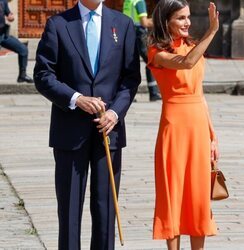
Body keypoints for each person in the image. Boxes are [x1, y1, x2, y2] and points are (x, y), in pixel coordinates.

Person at [33, 0, 140, 249]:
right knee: (69, 208)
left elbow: (131, 77)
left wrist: (115, 112)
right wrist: (76, 99)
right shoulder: (58, 25)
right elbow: (43, 74)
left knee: (105, 207)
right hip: (70, 131)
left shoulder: (122, 24)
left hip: (108, 129)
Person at [147, 1, 219, 249]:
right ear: (166, 21)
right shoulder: (157, 52)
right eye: (180, 18)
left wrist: (212, 135)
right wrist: (211, 32)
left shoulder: (193, 46)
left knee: (198, 195)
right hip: (174, 126)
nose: (187, 22)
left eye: (188, 17)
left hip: (198, 125)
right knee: (173, 193)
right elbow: (185, 63)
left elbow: (199, 93)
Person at [123, 0, 161, 101]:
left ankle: (129, 94)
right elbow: (144, 22)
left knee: (131, 65)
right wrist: (161, 20)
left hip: (129, 34)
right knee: (151, 62)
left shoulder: (128, 2)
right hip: (139, 34)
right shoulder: (139, 2)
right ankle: (153, 93)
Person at [0, 0, 33, 83]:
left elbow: (9, 14)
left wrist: (11, 17)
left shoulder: (3, 2)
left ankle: (22, 76)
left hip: (3, 35)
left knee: (23, 49)